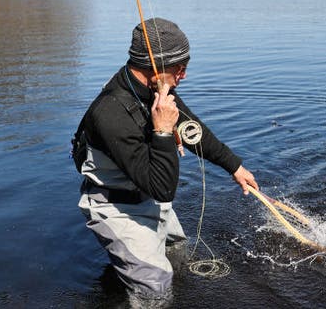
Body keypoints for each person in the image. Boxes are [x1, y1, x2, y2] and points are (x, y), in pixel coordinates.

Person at [73, 17, 258, 303]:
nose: (184, 75)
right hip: (115, 207)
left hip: (146, 193)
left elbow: (192, 130)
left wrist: (234, 166)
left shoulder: (157, 90)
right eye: (180, 68)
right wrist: (161, 131)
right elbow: (164, 189)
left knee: (177, 252)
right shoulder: (110, 113)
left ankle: (122, 277)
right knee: (155, 287)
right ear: (156, 68)